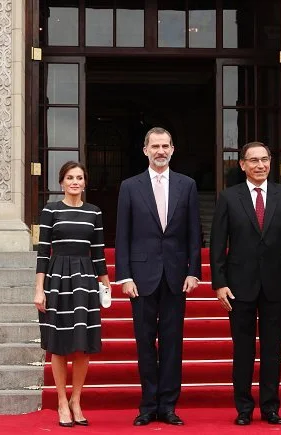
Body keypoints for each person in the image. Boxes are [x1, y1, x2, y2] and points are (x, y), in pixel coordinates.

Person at [210, 141, 281, 426]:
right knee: (243, 349)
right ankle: (243, 408)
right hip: (239, 286)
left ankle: (270, 407)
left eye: (264, 160)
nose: (260, 165)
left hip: (276, 283)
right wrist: (219, 283)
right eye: (253, 160)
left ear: (270, 162)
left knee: (273, 349)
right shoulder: (228, 197)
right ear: (242, 165)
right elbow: (217, 244)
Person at [115, 127, 202, 426]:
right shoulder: (129, 186)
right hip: (140, 277)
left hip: (177, 276)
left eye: (165, 145)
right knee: (144, 343)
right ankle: (147, 405)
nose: (161, 151)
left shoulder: (187, 185)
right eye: (155, 146)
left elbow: (195, 233)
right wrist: (124, 276)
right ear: (145, 150)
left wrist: (194, 271)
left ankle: (168, 405)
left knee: (172, 343)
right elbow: (122, 234)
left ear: (173, 149)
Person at [34, 161, 111, 427]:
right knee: (58, 344)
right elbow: (43, 252)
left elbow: (99, 253)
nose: (75, 182)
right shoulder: (50, 210)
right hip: (57, 278)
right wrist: (38, 290)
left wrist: (105, 283)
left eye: (79, 177)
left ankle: (76, 400)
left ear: (85, 182)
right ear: (62, 182)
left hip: (85, 279)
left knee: (82, 344)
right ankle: (60, 401)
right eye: (70, 177)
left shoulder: (94, 212)